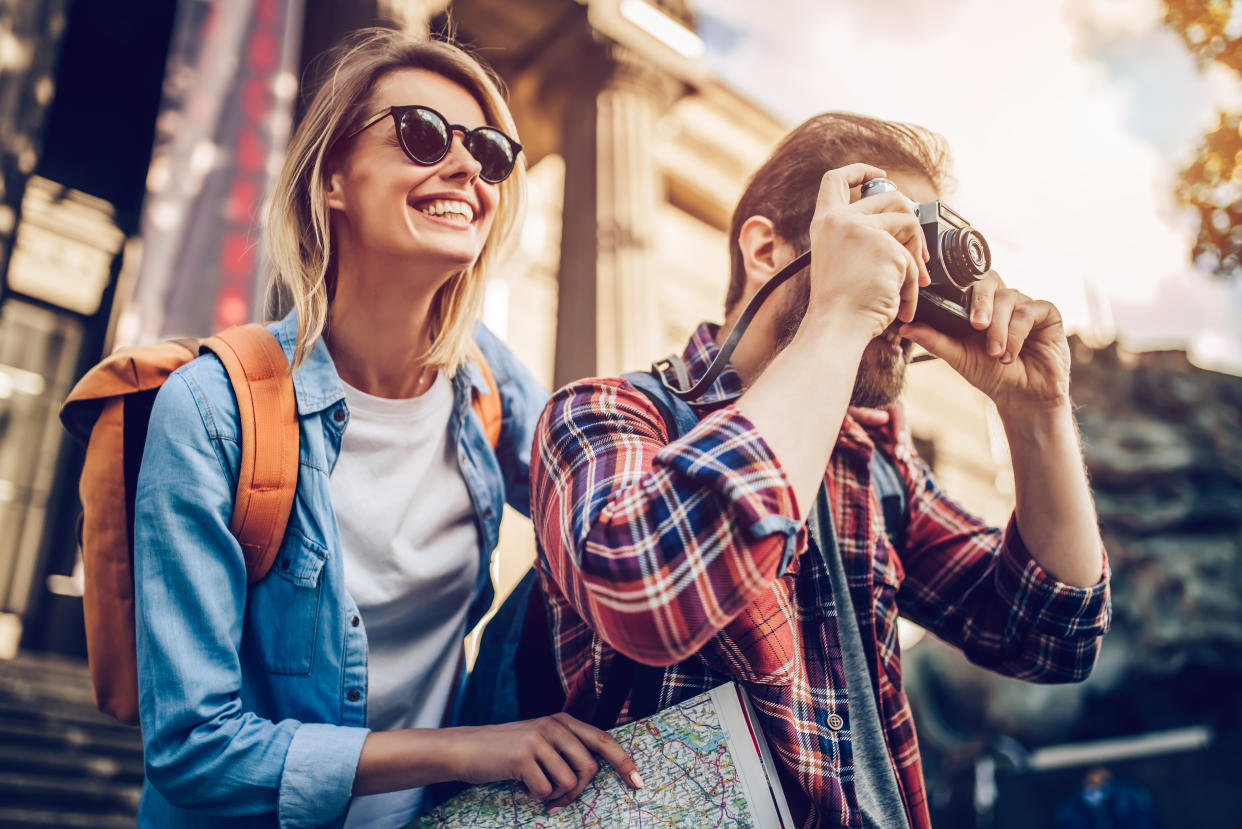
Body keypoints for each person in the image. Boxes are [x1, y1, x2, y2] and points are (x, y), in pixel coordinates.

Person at [529, 112, 1112, 829]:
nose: (906, 285)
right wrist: (837, 314)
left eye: (919, 252)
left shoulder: (871, 462)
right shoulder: (607, 414)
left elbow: (1051, 635)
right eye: (887, 241)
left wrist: (1038, 415)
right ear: (766, 248)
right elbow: (649, 595)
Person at [132, 28, 639, 828]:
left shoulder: (489, 385)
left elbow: (622, 527)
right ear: (333, 177)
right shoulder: (209, 411)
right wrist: (477, 748)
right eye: (423, 135)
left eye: (491, 153)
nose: (468, 168)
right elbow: (194, 747)